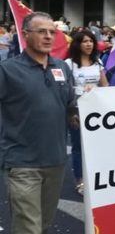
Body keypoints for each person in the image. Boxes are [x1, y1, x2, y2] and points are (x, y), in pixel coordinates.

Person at [0, 12, 77, 233]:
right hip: (22, 162)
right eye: (42, 32)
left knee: (43, 224)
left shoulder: (62, 67)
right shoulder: (8, 70)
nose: (48, 37)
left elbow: (70, 105)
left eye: (52, 32)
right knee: (28, 227)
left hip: (55, 161)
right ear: (25, 35)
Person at [65, 30, 108, 196]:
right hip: (76, 110)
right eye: (84, 41)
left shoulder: (98, 63)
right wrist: (70, 112)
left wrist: (97, 92)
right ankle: (80, 181)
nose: (89, 44)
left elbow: (106, 86)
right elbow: (66, 90)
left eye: (91, 41)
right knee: (78, 147)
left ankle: (95, 179)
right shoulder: (69, 64)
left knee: (96, 147)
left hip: (96, 113)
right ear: (77, 44)